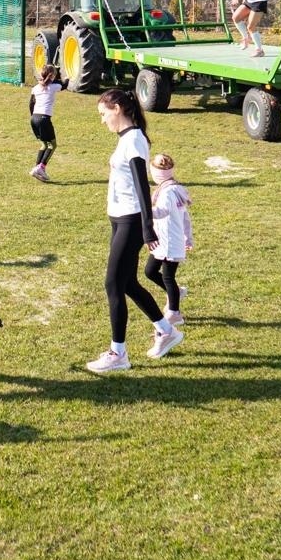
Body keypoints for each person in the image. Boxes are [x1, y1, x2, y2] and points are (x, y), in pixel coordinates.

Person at [86, 88, 183, 373]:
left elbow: (142, 185)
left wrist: (147, 227)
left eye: (104, 114)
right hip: (119, 218)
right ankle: (166, 331)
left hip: (130, 220)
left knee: (112, 284)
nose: (102, 120)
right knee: (127, 283)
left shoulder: (135, 140)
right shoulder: (127, 139)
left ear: (117, 109)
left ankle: (118, 354)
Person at [142, 153, 193, 327]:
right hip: (163, 240)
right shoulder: (173, 188)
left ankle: (174, 313)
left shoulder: (169, 192)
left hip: (170, 241)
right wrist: (188, 237)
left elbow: (162, 211)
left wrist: (144, 211)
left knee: (168, 276)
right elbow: (185, 217)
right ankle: (177, 293)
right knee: (150, 271)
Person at [28, 65, 65, 182]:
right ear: (52, 76)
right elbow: (65, 85)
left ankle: (37, 168)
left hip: (34, 118)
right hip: (44, 119)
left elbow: (31, 104)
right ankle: (41, 167)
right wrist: (67, 77)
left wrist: (34, 117)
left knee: (44, 144)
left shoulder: (35, 88)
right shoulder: (54, 86)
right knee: (52, 145)